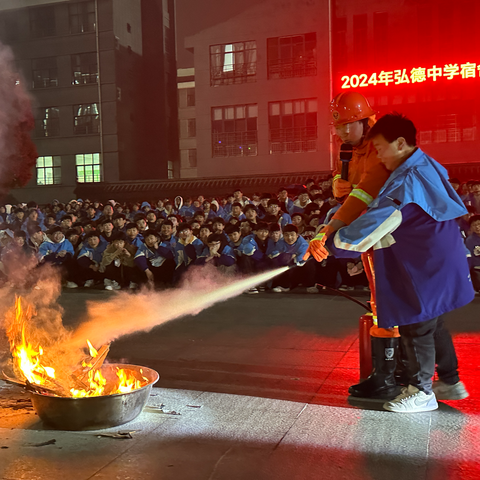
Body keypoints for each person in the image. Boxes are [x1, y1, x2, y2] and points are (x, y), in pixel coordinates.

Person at [308, 113, 473, 412]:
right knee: (433, 320)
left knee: (416, 323)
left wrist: (331, 244)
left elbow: (375, 221)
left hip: (423, 262)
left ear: (400, 143)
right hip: (436, 255)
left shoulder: (405, 180)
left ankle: (420, 391)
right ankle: (450, 380)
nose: (378, 154)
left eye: (381, 147)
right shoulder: (423, 164)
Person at [270, 225, 316, 293]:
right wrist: (287, 256)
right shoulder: (280, 242)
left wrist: (295, 259)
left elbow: (302, 256)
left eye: (292, 235)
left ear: (297, 235)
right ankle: (284, 286)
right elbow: (275, 253)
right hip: (287, 265)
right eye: (286, 235)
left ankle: (310, 285)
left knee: (310, 263)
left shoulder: (303, 243)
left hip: (299, 267)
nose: (289, 238)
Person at [465, 214, 480, 292]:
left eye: (479, 224)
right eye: (474, 225)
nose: (477, 227)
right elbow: (470, 258)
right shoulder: (469, 240)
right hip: (477, 269)